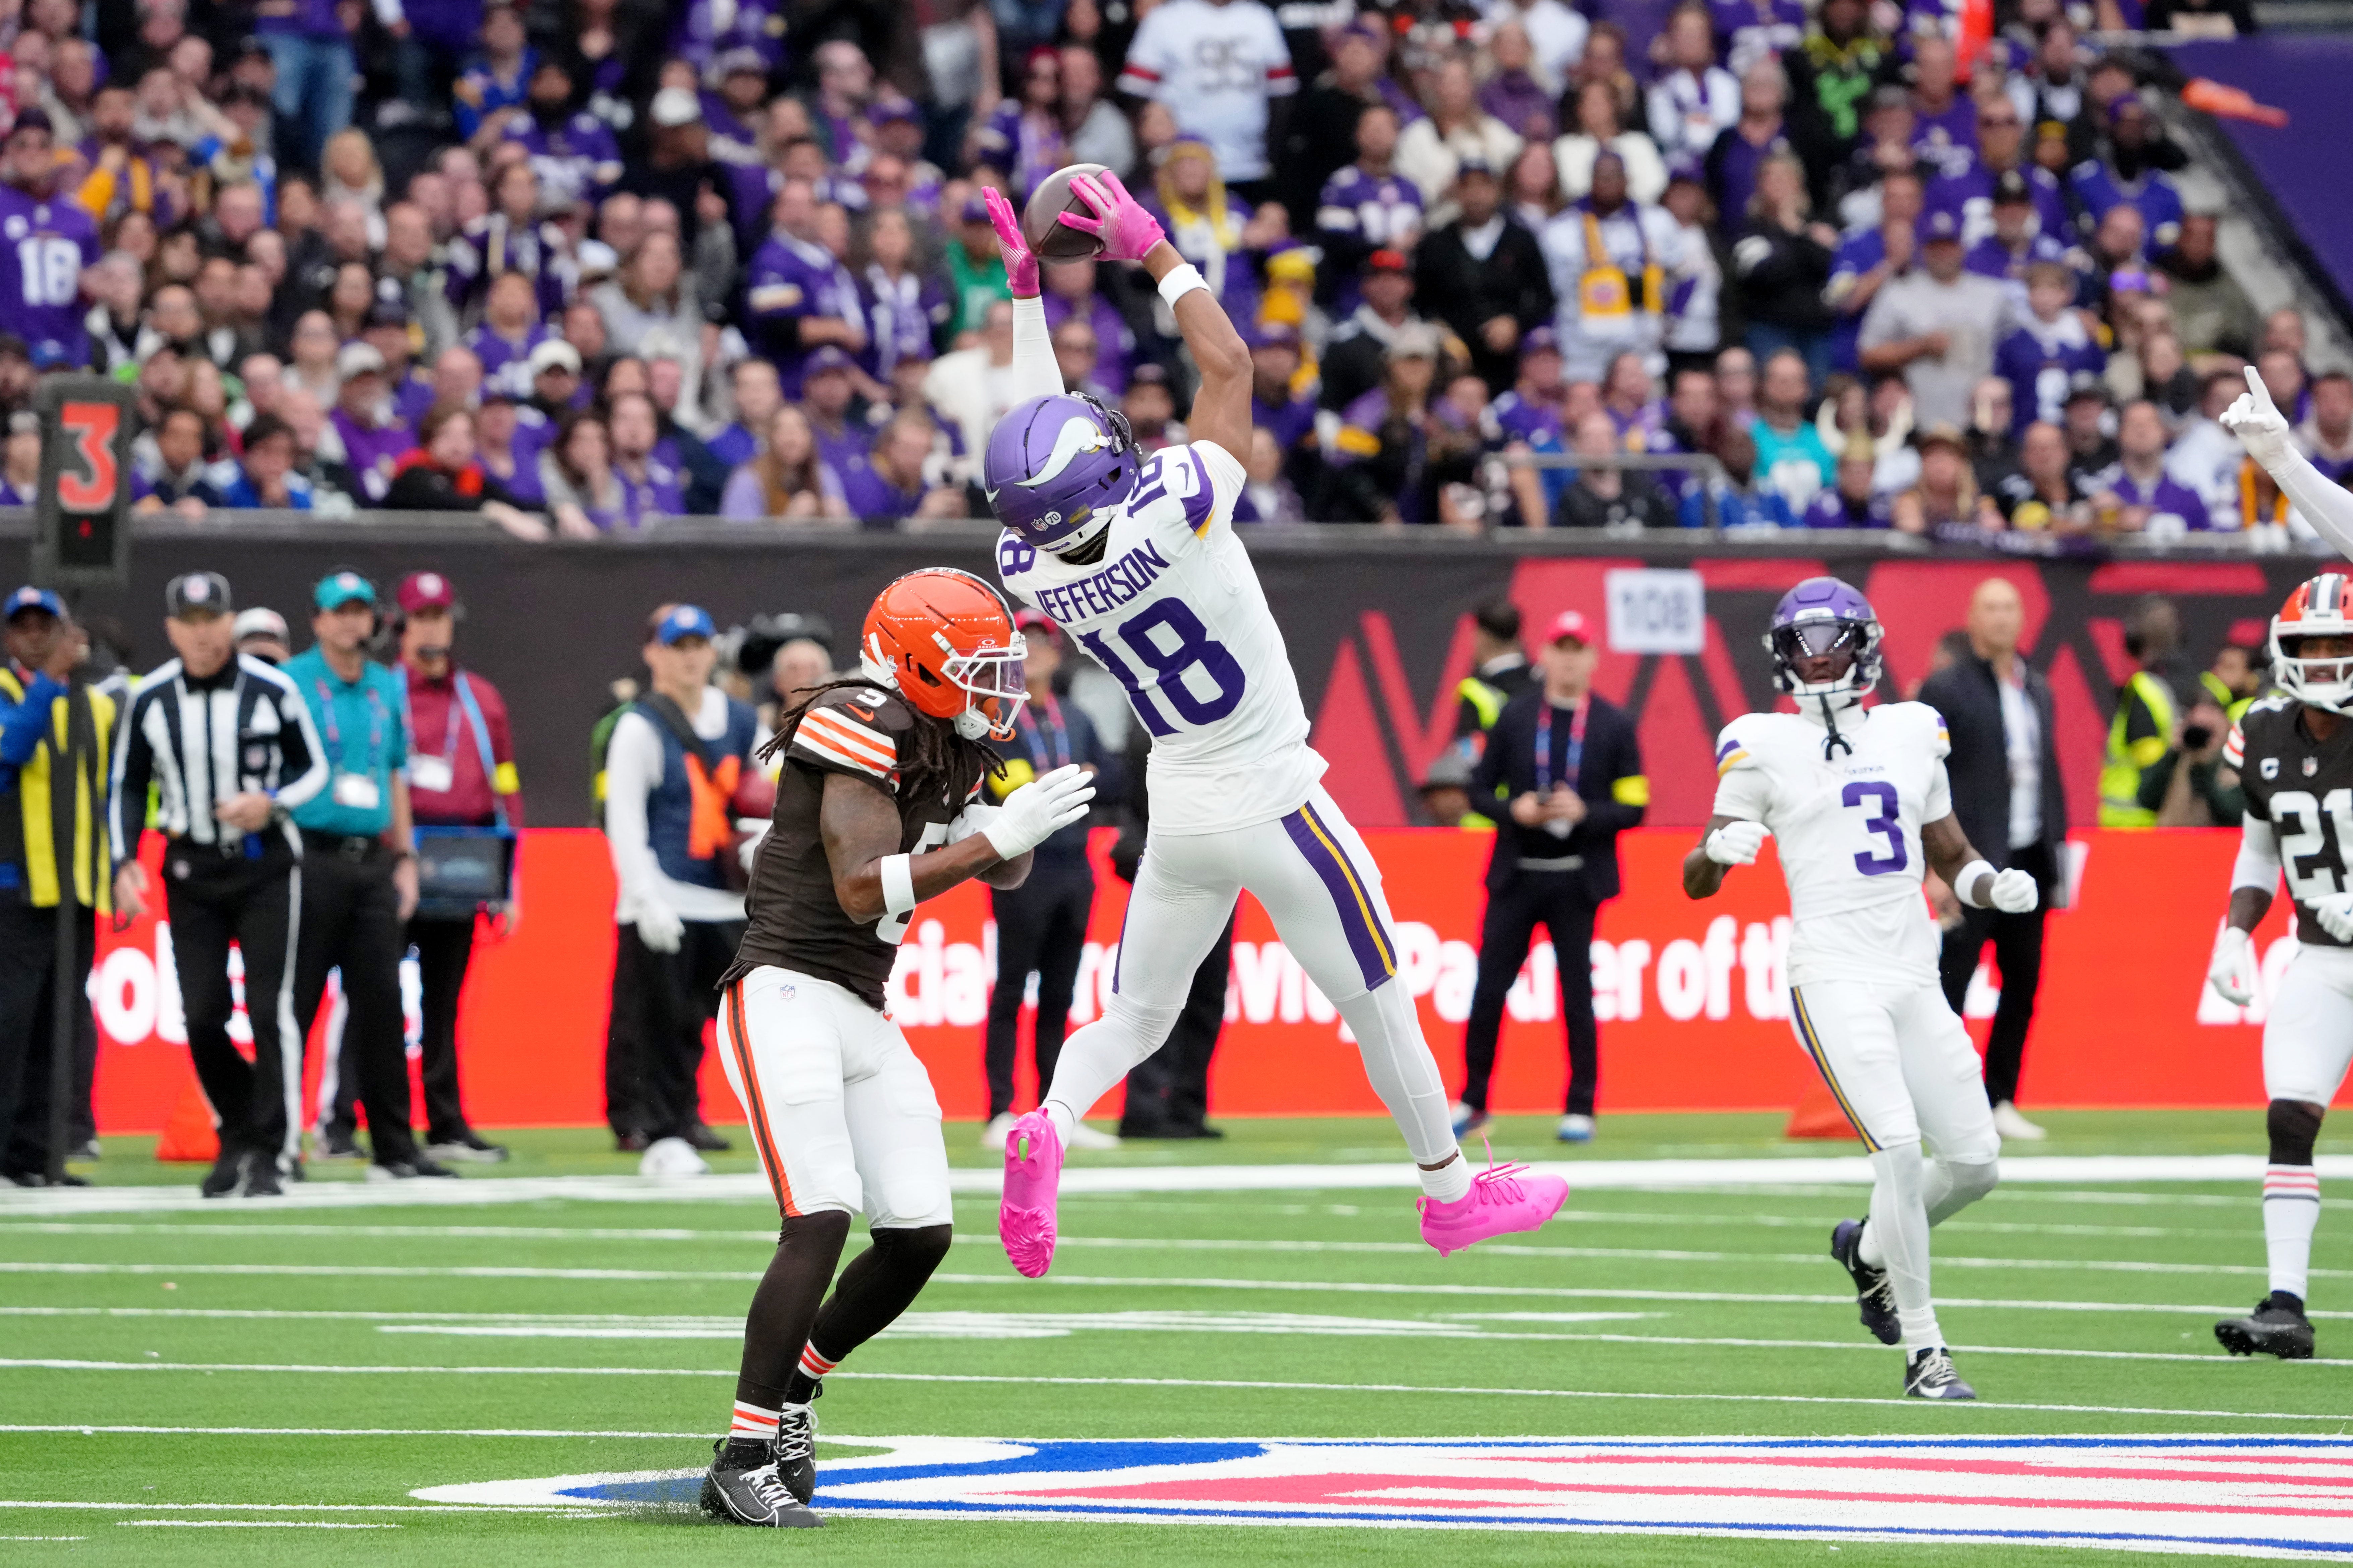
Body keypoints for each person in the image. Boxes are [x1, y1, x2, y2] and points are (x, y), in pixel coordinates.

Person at [979, 172, 1566, 1277]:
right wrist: (1153, 248)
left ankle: (1050, 1117)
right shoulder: (1182, 499)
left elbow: (1032, 447)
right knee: (1377, 993)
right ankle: (1449, 1193)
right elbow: (1233, 364)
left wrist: (1027, 298)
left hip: (1180, 809)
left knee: (1136, 1016)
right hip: (1276, 796)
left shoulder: (1029, 561)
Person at [698, 570, 1090, 1527]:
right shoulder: (856, 716)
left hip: (861, 1007)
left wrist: (1002, 822)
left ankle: (795, 1387)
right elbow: (864, 890)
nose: (1002, 688)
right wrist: (992, 834)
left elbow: (1009, 868)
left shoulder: (947, 735)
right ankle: (741, 1453)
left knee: (918, 1231)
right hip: (783, 989)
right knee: (822, 1212)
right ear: (919, 663)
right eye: (982, 670)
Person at [1686, 577, 2033, 1400]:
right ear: (1781, 658)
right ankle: (1926, 1351)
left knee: (1979, 1163)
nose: (1818, 660)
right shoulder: (1761, 741)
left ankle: (1869, 1251)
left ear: (1864, 647)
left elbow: (1948, 849)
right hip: (1832, 972)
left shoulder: (1914, 731)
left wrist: (1988, 885)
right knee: (1901, 1154)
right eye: (1803, 647)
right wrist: (1719, 853)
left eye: (1832, 642)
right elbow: (1697, 877)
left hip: (1914, 970)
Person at [2206, 573, 2353, 1363]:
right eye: (2312, 646)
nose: (2326, 660)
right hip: (2325, 959)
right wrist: (2234, 932)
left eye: (2341, 644)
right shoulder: (2261, 731)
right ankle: (2287, 1304)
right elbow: (2260, 851)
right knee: (2290, 1117)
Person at [1454, 610, 1646, 1141]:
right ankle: (1473, 1100)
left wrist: (1585, 813)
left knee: (1577, 992)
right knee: (1489, 989)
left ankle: (1580, 1106)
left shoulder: (1613, 724)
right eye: (1558, 649)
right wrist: (1513, 811)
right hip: (1517, 874)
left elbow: (1635, 806)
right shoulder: (1517, 718)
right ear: (1544, 656)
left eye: (1577, 650)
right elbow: (1475, 790)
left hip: (1577, 878)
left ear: (1592, 660)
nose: (1567, 660)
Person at [284, 572, 438, 1179]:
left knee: (382, 1004)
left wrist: (404, 857)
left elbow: (395, 771)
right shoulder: (293, 682)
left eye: (360, 612)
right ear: (318, 621)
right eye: (338, 612)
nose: (351, 623)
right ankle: (280, 1141)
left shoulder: (384, 686)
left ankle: (396, 1147)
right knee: (294, 1003)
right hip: (308, 854)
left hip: (370, 859)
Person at [1919, 579, 2070, 1147]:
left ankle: (1998, 1098)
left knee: (2023, 982)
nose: (2003, 619)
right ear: (1972, 618)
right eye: (1992, 608)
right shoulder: (1946, 688)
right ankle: (1939, 1101)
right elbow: (1925, 780)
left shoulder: (2038, 687)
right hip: (1969, 859)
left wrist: (2056, 852)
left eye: (2011, 608)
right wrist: (1936, 866)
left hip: (2028, 856)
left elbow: (2046, 772)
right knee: (1951, 983)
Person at [602, 604, 757, 1159]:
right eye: (678, 646)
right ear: (654, 654)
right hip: (666, 891)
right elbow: (625, 818)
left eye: (698, 646)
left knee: (716, 1020)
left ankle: (687, 1114)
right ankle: (656, 1121)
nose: (690, 658)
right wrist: (642, 897)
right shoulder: (640, 725)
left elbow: (767, 790)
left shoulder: (740, 719)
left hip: (727, 894)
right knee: (658, 1019)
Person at [393, 572, 520, 1165]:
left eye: (440, 617)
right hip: (393, 863)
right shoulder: (383, 691)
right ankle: (347, 1120)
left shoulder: (481, 700)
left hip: (458, 865)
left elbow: (506, 790)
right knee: (372, 999)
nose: (431, 629)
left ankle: (445, 1122)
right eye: (421, 618)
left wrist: (509, 880)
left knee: (444, 1003)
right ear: (402, 625)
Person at [979, 612, 1112, 1152]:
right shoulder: (997, 720)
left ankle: (1057, 1112)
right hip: (1021, 866)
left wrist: (1064, 781)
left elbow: (1112, 776)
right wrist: (1069, 778)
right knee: (1012, 988)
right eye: (1023, 643)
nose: (1033, 651)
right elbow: (1001, 786)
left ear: (1058, 655)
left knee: (1060, 993)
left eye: (1042, 642)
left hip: (1074, 865)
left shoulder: (1074, 717)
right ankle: (999, 1109)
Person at [0, 588, 113, 1187]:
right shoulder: (12, 692)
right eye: (24, 627)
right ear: (9, 637)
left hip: (75, 888)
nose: (35, 636)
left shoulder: (91, 704)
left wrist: (117, 868)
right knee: (10, 1025)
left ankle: (38, 1154)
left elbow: (108, 796)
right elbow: (11, 749)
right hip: (14, 889)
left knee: (59, 1027)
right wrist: (47, 679)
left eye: (47, 625)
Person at [1859, 208, 2009, 430]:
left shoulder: (1991, 294)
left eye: (1949, 245)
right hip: (1915, 419)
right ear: (1922, 249)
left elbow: (2018, 346)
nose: (1943, 253)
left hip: (1978, 418)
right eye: (1935, 246)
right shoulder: (1898, 292)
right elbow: (1868, 354)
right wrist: (1919, 347)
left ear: (1961, 247)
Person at [2099, 594, 2185, 829]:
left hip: (2133, 823)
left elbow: (2150, 764)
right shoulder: (2197, 684)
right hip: (2173, 817)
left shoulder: (2143, 688)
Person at [1454, 598, 1537, 746]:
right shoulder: (1545, 681)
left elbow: (1466, 756)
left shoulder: (1473, 690)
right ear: (1518, 637)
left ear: (1482, 637)